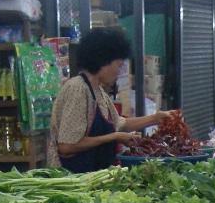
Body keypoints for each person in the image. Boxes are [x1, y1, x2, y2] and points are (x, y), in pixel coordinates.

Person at [49, 27, 162, 172]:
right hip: (72, 178)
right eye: (118, 65)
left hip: (92, 176)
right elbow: (66, 146)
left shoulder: (99, 92)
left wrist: (156, 118)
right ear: (103, 61)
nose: (119, 72)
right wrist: (113, 137)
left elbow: (120, 123)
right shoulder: (78, 89)